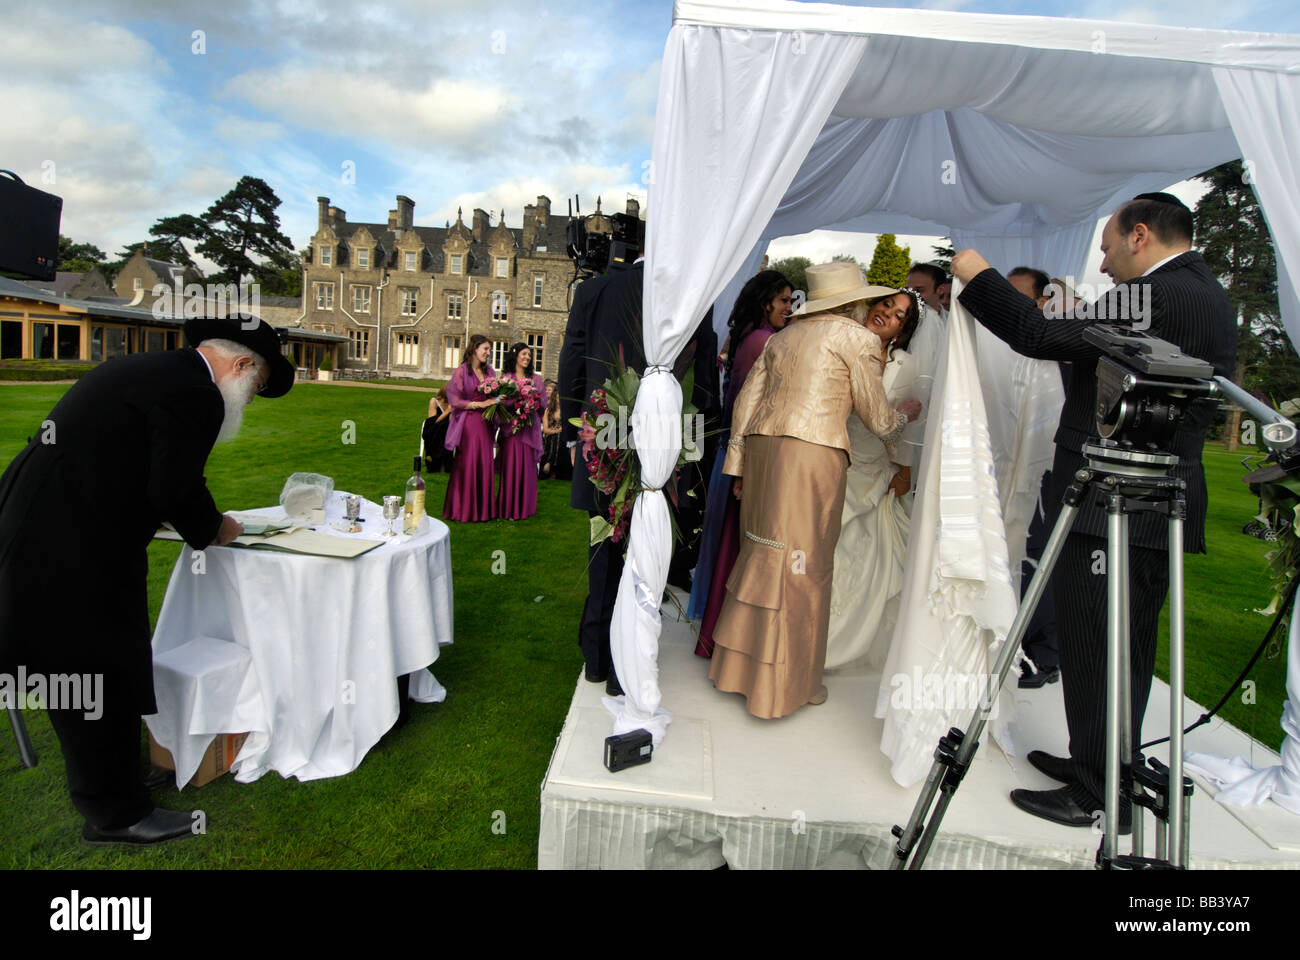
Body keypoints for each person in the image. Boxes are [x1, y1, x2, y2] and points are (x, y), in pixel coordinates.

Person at [952, 192, 1237, 830]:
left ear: (1140, 235)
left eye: (1107, 247)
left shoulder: (1162, 295)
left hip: (1122, 506)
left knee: (1097, 644)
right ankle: (1106, 765)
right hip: (1137, 503)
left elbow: (1037, 335)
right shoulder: (1194, 290)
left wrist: (977, 275)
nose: (1103, 266)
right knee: (1118, 647)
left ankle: (1096, 791)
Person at [0, 316, 293, 845]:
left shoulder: (159, 371)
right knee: (94, 668)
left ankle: (115, 782)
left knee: (100, 662)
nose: (248, 402)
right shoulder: (197, 393)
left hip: (52, 527)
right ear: (242, 364)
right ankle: (114, 814)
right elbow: (176, 485)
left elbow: (125, 460)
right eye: (255, 386)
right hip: (69, 545)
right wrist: (215, 528)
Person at [710, 262, 922, 719]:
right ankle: (789, 687)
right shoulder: (857, 339)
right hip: (813, 456)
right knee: (804, 567)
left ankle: (736, 672)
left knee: (763, 555)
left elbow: (747, 402)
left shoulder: (783, 336)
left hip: (766, 452)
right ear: (854, 301)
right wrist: (905, 413)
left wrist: (740, 467)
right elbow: (878, 419)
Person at [558, 257, 716, 695]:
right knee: (648, 552)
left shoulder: (594, 291)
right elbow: (703, 385)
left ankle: (598, 658)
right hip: (666, 446)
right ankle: (628, 660)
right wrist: (695, 446)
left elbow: (571, 366)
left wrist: (574, 436)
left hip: (602, 440)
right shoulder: (693, 300)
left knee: (603, 551)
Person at [690, 269, 794, 655]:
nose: (789, 306)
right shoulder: (764, 342)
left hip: (735, 453)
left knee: (730, 545)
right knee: (735, 548)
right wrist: (746, 468)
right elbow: (748, 410)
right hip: (742, 457)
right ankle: (722, 639)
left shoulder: (753, 336)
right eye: (783, 299)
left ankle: (722, 633)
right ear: (766, 300)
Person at [824, 290, 923, 669]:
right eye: (886, 304)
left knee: (858, 559)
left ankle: (840, 645)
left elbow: (914, 423)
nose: (887, 313)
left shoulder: (906, 366)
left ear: (901, 331)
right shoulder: (840, 343)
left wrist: (906, 468)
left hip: (874, 472)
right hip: (832, 462)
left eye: (899, 315)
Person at [1005, 266, 1063, 688]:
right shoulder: (1008, 347)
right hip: (1009, 469)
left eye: (1019, 296)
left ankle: (1044, 655)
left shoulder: (1057, 349)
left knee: (1039, 558)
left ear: (1042, 301)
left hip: (1048, 472)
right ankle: (1012, 642)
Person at [443, 334, 501, 523]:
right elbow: (455, 400)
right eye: (485, 349)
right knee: (467, 463)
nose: (488, 353)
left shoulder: (490, 372)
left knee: (484, 462)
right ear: (474, 349)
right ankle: (463, 509)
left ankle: (483, 511)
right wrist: (478, 405)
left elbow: (497, 394)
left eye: (489, 350)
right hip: (468, 423)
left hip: (485, 425)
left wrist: (497, 400)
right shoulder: (461, 372)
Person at [495, 342, 544, 520]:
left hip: (529, 432)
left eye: (529, 355)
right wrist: (514, 404)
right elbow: (500, 404)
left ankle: (526, 507)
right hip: (511, 432)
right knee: (511, 467)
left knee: (528, 468)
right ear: (515, 355)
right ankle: (508, 507)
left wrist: (530, 406)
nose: (527, 357)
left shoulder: (536, 379)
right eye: (524, 354)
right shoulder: (506, 379)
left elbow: (542, 405)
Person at [539, 380, 568, 481]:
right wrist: (556, 431)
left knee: (559, 441)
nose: (559, 400)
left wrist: (560, 431)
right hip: (550, 437)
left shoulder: (566, 412)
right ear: (554, 399)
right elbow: (545, 429)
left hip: (561, 441)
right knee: (553, 439)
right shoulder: (548, 410)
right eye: (557, 398)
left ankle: (552, 467)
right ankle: (549, 466)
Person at [421, 387, 453, 474]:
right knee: (442, 430)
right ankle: (438, 464)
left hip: (447, 430)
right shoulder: (434, 401)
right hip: (433, 429)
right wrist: (448, 411)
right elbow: (433, 421)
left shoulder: (453, 402)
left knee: (447, 429)